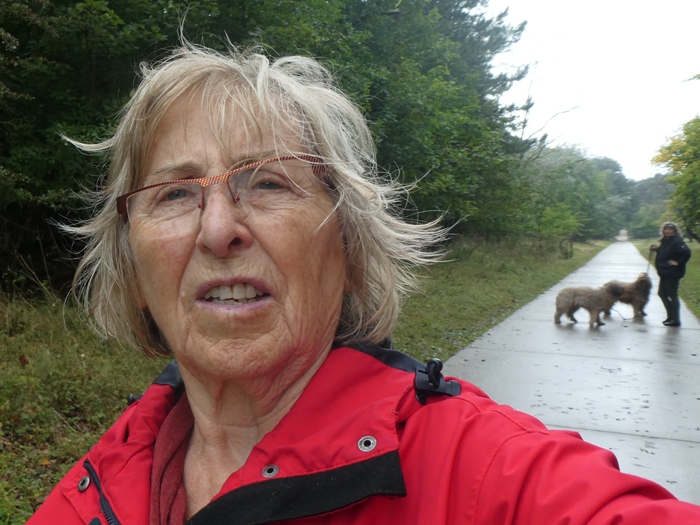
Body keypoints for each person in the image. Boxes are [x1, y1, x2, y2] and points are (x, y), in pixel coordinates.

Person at [27, 42, 700, 525]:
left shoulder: (486, 472)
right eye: (174, 194)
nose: (218, 228)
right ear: (134, 268)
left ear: (349, 247)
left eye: (268, 182)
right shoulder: (111, 468)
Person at [650, 222, 692, 327]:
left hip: (673, 273)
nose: (667, 231)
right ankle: (671, 316)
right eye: (666, 229)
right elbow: (666, 252)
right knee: (662, 293)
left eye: (670, 229)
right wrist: (657, 249)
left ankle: (675, 319)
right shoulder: (666, 241)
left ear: (675, 231)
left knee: (672, 295)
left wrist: (678, 262)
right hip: (665, 272)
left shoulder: (677, 241)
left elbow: (686, 252)